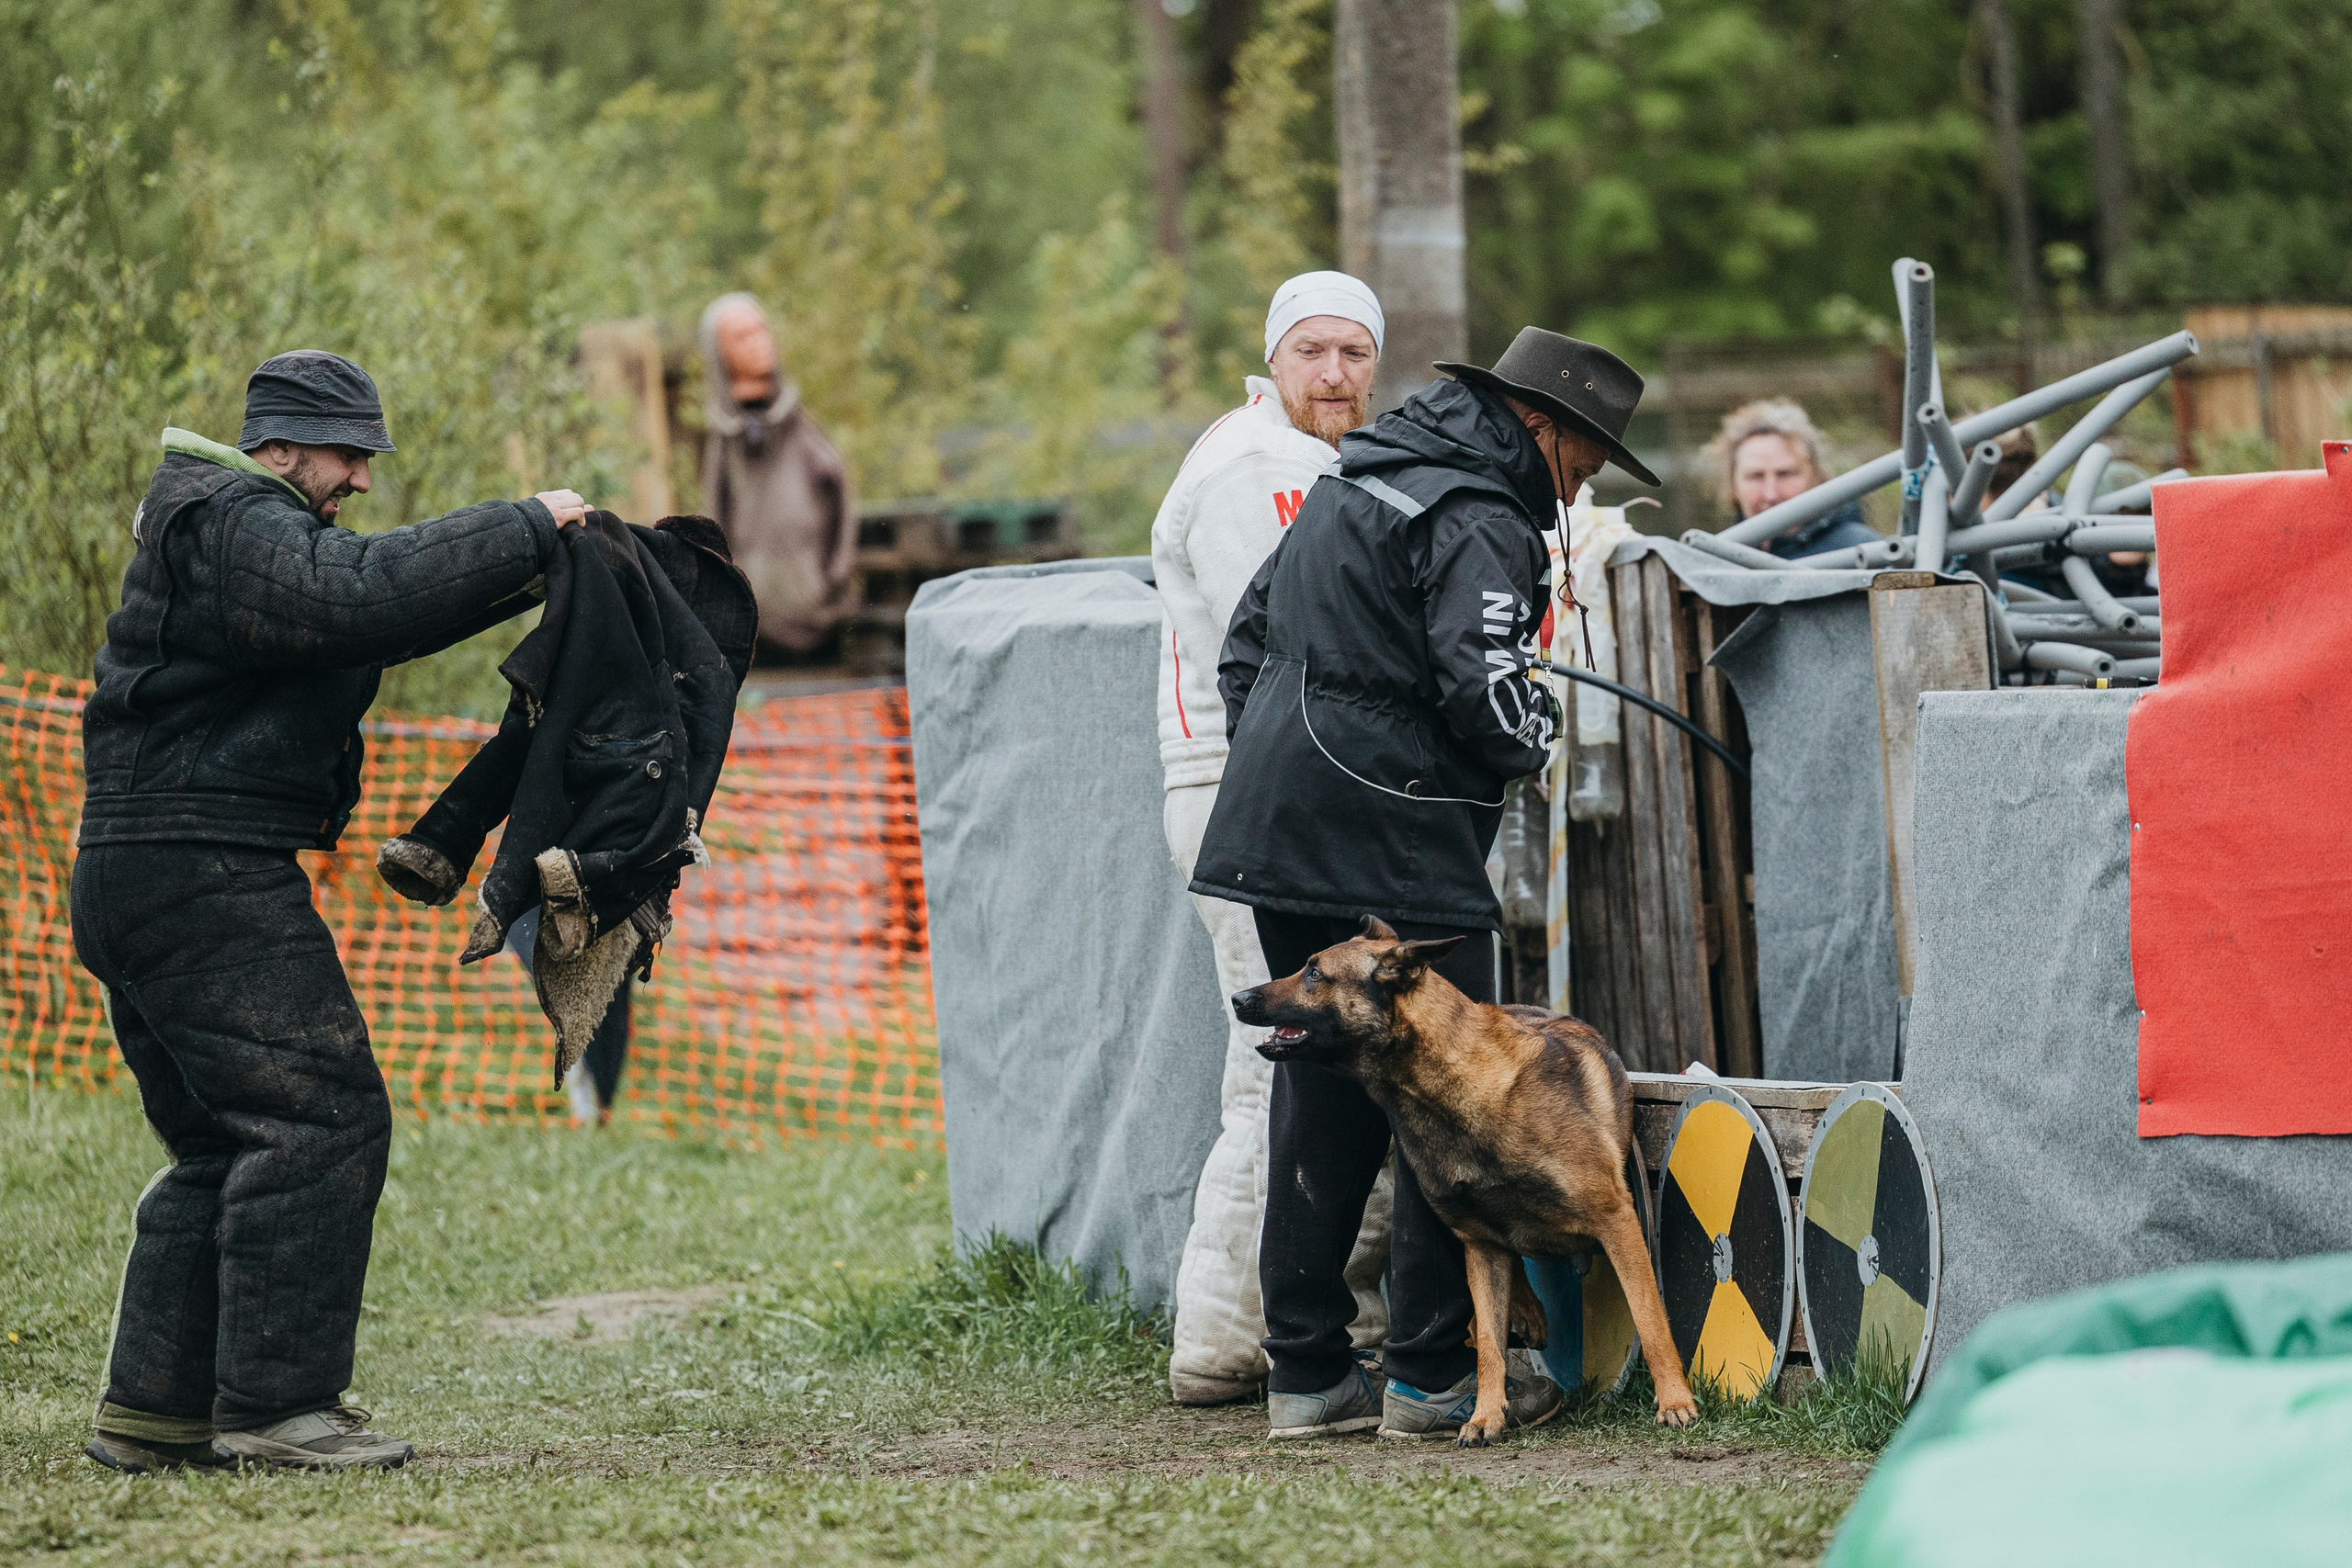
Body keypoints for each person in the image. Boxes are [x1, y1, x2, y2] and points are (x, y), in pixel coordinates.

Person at [74, 350, 589, 1474]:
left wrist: (541, 567)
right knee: (320, 1117)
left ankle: (156, 1410)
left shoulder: (231, 530)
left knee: (224, 1141)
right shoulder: (230, 518)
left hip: (146, 866)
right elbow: (349, 595)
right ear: (283, 448)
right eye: (349, 453)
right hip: (195, 868)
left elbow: (367, 614)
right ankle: (277, 1409)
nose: (362, 476)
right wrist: (527, 524)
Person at [1193, 326, 1657, 1441]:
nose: (1572, 490)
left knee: (1317, 1090)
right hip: (1394, 844)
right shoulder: (1482, 514)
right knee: (1459, 1091)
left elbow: (1242, 647)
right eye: (1581, 467)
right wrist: (1537, 726)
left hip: (1272, 820)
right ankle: (1431, 1373)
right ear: (1540, 425)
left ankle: (1305, 1376)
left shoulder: (1355, 486)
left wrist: (1297, 753)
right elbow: (1486, 697)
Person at [1153, 270, 1393, 1407]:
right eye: (1314, 352)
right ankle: (1225, 1338)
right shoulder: (1255, 470)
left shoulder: (1313, 463)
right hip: (1251, 785)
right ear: (1274, 358)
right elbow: (1288, 643)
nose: (1335, 374)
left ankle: (1320, 1320)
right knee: (1280, 1068)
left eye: (1354, 353)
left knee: (1331, 1059)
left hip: (1290, 786)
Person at [698, 293, 856, 657]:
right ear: (719, 354)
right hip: (752, 636)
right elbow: (715, 520)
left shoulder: (805, 437)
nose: (758, 344)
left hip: (817, 624)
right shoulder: (723, 443)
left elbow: (842, 509)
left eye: (761, 331)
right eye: (742, 337)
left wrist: (831, 585)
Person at [1705, 398, 1879, 559]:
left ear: (1816, 478)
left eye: (1785, 474)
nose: (1770, 494)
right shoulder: (1715, 560)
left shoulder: (1863, 552)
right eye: (1755, 476)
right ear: (1733, 485)